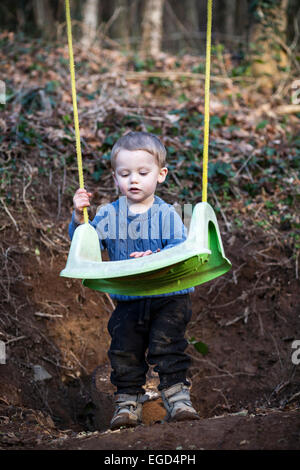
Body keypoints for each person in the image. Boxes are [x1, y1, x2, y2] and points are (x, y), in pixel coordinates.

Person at [69, 131, 199, 429]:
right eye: (125, 174)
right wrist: (79, 217)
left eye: (143, 172)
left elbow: (181, 250)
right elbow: (84, 244)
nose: (134, 180)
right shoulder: (106, 214)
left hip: (169, 297)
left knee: (167, 346)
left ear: (160, 175)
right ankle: (127, 402)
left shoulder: (169, 214)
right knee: (124, 350)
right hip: (128, 298)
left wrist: (156, 257)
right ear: (115, 178)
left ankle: (178, 399)